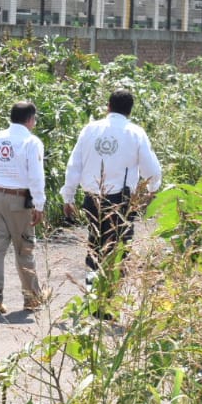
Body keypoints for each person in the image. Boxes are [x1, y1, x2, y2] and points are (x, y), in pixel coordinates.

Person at [60, 89, 162, 316]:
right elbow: (152, 171)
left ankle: (93, 299)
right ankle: (107, 303)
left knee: (95, 248)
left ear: (108, 106)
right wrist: (152, 192)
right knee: (117, 251)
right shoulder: (136, 133)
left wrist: (68, 196)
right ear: (130, 110)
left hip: (92, 199)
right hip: (121, 202)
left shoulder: (90, 130)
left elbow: (74, 165)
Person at [0, 101, 49, 317]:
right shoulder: (31, 142)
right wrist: (39, 203)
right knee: (24, 249)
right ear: (30, 120)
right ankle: (32, 297)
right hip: (19, 199)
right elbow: (36, 175)